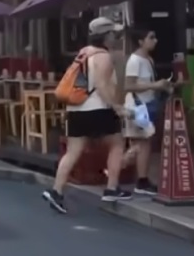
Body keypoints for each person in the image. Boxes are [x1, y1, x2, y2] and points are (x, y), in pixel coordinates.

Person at [43, 17, 132, 214]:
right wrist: (117, 107)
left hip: (76, 109)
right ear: (106, 36)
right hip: (97, 108)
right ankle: (111, 187)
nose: (115, 38)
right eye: (113, 34)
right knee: (117, 143)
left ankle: (56, 191)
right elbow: (101, 86)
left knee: (73, 151)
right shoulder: (103, 57)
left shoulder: (83, 53)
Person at [121, 28, 170, 195]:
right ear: (140, 41)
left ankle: (139, 178)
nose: (155, 40)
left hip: (146, 105)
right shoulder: (134, 61)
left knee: (143, 143)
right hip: (137, 106)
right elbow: (128, 85)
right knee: (140, 144)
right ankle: (122, 171)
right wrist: (154, 86)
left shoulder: (148, 59)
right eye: (151, 37)